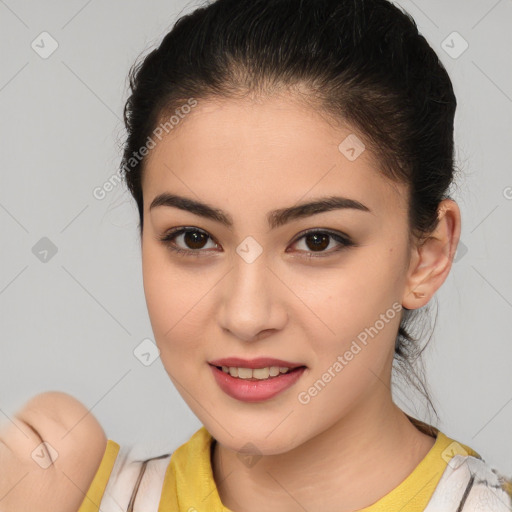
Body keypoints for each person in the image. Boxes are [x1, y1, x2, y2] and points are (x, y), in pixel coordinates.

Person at [1, 0, 510, 511]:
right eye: (194, 239)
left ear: (427, 255)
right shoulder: (56, 495)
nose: (246, 317)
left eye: (317, 241)